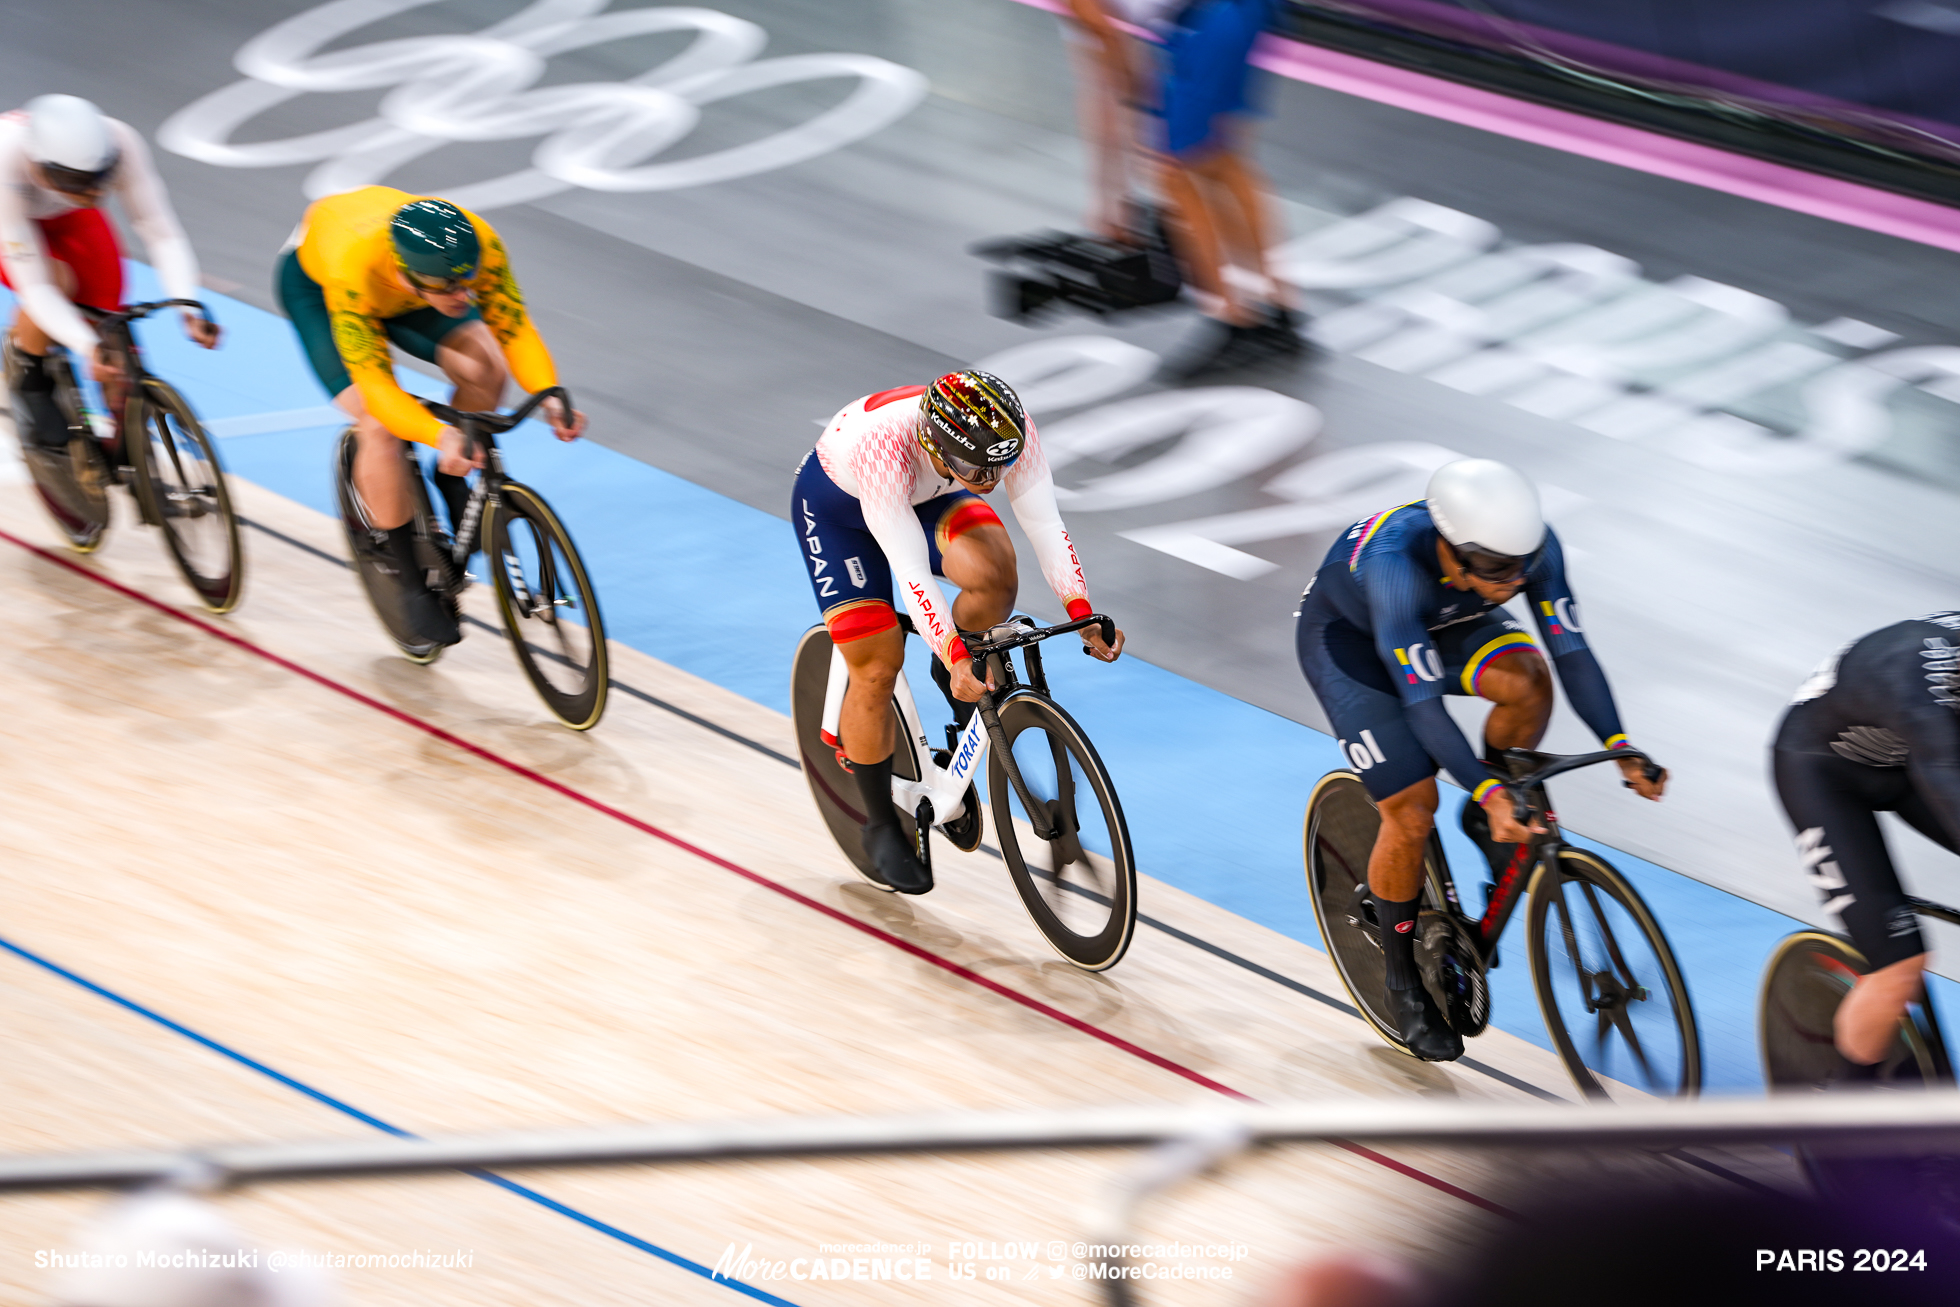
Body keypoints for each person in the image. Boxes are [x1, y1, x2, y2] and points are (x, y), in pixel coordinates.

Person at [1294, 458, 1665, 1061]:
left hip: (1445, 617)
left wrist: (1619, 746)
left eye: (1522, 564)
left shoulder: (1523, 557)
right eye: (1497, 568)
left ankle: (1487, 810)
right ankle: (1400, 982)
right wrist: (1487, 789)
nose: (1514, 581)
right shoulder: (1394, 567)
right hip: (1353, 646)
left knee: (1529, 679)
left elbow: (1572, 653)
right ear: (1451, 546)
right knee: (1412, 809)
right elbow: (1421, 703)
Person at [792, 370, 1124, 893]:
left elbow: (1043, 524)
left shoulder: (1003, 431)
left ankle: (959, 685)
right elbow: (911, 574)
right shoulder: (887, 446)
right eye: (977, 469)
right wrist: (950, 651)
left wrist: (1081, 611)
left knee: (995, 572)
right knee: (876, 666)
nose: (990, 481)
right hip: (842, 512)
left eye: (999, 465)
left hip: (923, 498)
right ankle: (880, 822)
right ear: (935, 445)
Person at [276, 184, 585, 647]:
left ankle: (451, 479)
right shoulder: (351, 271)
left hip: (410, 291)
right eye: (452, 288)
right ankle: (406, 577)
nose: (466, 295)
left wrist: (549, 394)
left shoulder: (478, 241)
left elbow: (513, 326)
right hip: (322, 293)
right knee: (378, 426)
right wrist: (435, 433)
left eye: (470, 282)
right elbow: (379, 390)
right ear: (406, 277)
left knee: (485, 367)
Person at [1, 95, 218, 524]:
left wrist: (188, 305)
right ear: (41, 166)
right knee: (59, 282)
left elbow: (159, 231)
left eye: (100, 179)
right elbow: (37, 284)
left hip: (67, 217)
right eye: (80, 182)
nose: (95, 191)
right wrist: (84, 346)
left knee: (111, 319)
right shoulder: (6, 162)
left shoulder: (121, 143)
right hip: (9, 220)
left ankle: (133, 445)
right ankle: (27, 372)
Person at [1773, 615, 1960, 1067]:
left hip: (1907, 759)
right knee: (1899, 968)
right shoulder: (1918, 674)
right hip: (1820, 772)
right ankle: (1843, 1118)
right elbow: (1947, 780)